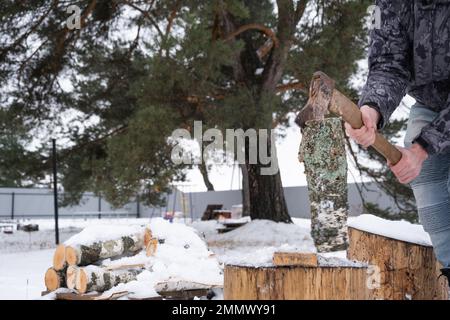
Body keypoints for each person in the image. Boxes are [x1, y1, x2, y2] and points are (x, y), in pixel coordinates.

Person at [345, 0, 450, 283]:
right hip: (431, 103)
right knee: (427, 178)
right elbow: (388, 64)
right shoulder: (389, 4)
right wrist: (372, 109)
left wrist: (421, 148)